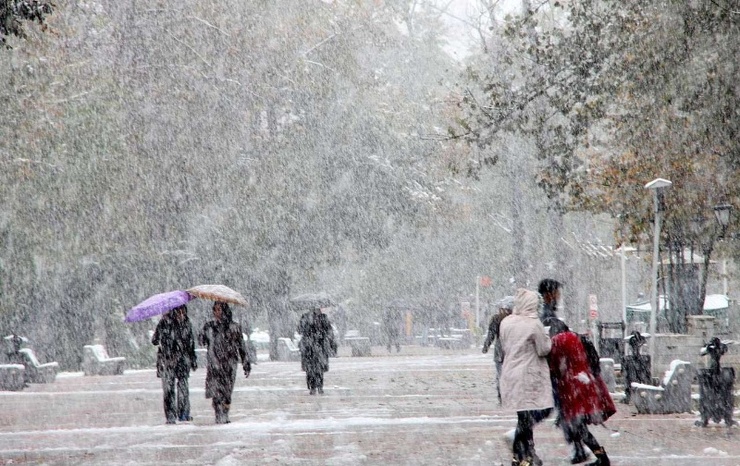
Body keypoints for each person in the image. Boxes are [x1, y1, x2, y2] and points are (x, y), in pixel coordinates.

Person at [548, 320, 615, 466]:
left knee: (578, 426)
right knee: (578, 425)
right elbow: (594, 361)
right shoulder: (579, 338)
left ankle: (602, 458)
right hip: (586, 384)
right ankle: (593, 455)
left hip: (573, 388)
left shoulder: (558, 341)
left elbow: (553, 367)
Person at [499, 288, 554, 466]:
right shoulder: (534, 324)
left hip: (510, 372)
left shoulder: (506, 322)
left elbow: (504, 345)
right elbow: (543, 349)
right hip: (529, 374)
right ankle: (520, 452)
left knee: (523, 415)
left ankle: (525, 455)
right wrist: (548, 337)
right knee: (537, 412)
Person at [199, 301, 251, 424]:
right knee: (216, 391)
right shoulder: (210, 326)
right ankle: (218, 414)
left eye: (219, 309)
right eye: (215, 310)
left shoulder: (234, 327)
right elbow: (202, 341)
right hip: (214, 363)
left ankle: (225, 413)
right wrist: (203, 334)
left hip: (229, 363)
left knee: (227, 391)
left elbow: (241, 346)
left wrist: (245, 362)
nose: (217, 313)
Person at [152, 305, 197, 424]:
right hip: (168, 361)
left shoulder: (187, 324)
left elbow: (190, 343)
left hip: (182, 361)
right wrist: (163, 327)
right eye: (178, 312)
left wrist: (193, 359)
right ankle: (171, 416)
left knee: (183, 388)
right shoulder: (164, 323)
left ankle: (183, 413)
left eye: (183, 312)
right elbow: (155, 340)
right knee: (168, 390)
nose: (181, 314)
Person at [481, 296, 514, 405]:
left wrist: (486, 346)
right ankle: (509, 395)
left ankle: (502, 396)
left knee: (501, 374)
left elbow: (491, 334)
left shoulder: (497, 318)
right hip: (512, 349)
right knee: (511, 374)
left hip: (502, 349)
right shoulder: (515, 319)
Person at [297, 307, 337, 395]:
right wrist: (307, 326)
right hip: (309, 347)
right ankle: (312, 387)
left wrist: (324, 336)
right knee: (310, 369)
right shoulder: (305, 317)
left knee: (319, 369)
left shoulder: (323, 317)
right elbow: (299, 330)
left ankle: (319, 386)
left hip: (320, 346)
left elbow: (329, 330)